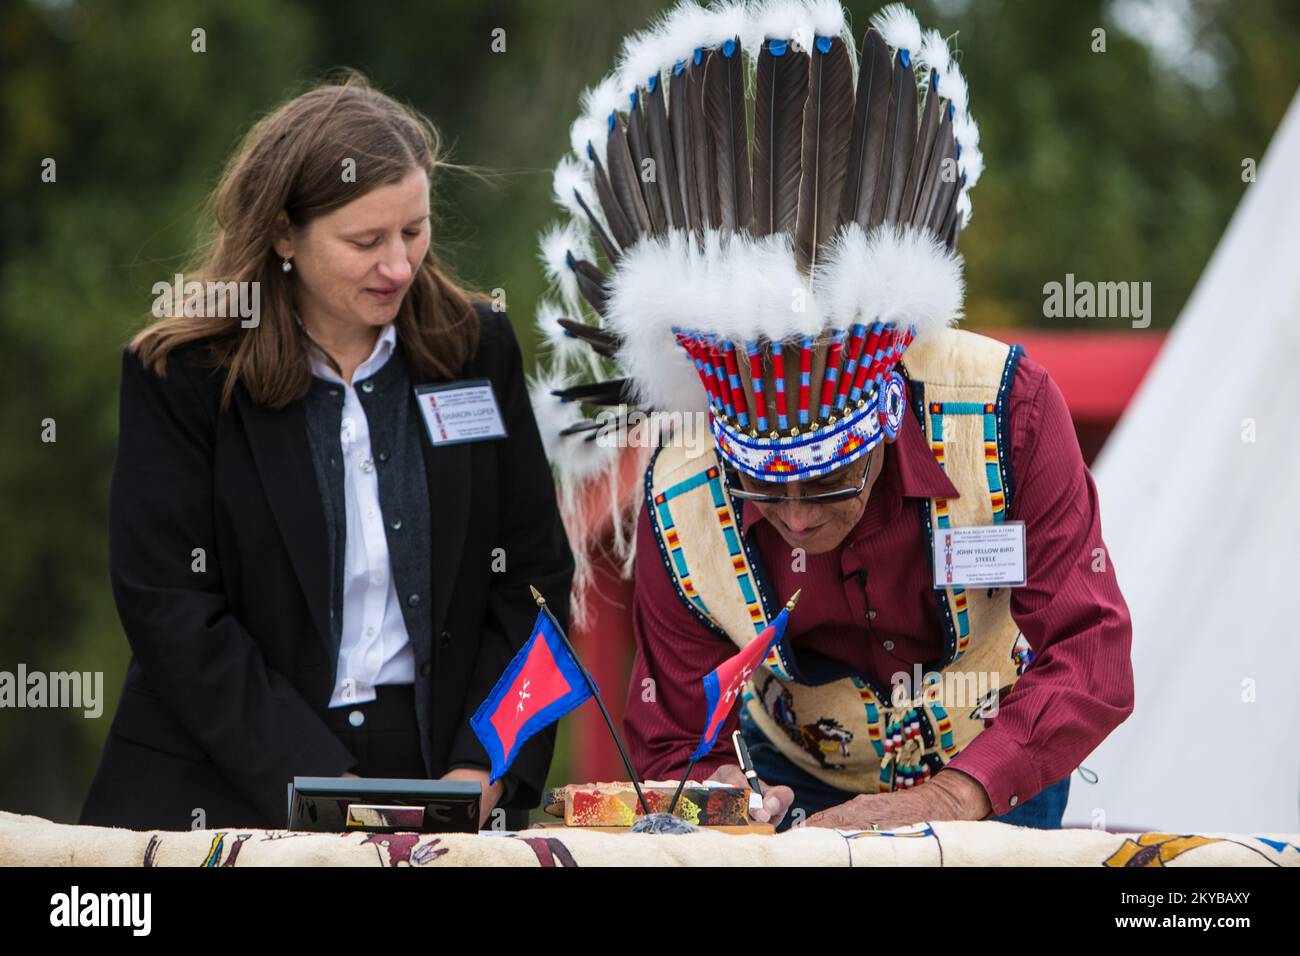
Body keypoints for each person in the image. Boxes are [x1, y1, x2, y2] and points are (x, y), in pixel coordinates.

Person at [529, 2, 1133, 832]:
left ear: (886, 427)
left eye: (829, 483)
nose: (798, 517)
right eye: (763, 492)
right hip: (797, 784)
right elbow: (671, 735)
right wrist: (729, 804)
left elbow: (1092, 654)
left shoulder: (1005, 408)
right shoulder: (681, 494)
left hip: (999, 770)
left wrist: (950, 798)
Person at [79, 72, 572, 831]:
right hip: (222, 781)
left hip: (445, 778)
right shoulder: (183, 374)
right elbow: (170, 608)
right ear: (283, 234)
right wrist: (320, 783)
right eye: (365, 241)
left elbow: (533, 580)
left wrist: (489, 762)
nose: (400, 267)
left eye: (414, 230)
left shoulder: (477, 348)